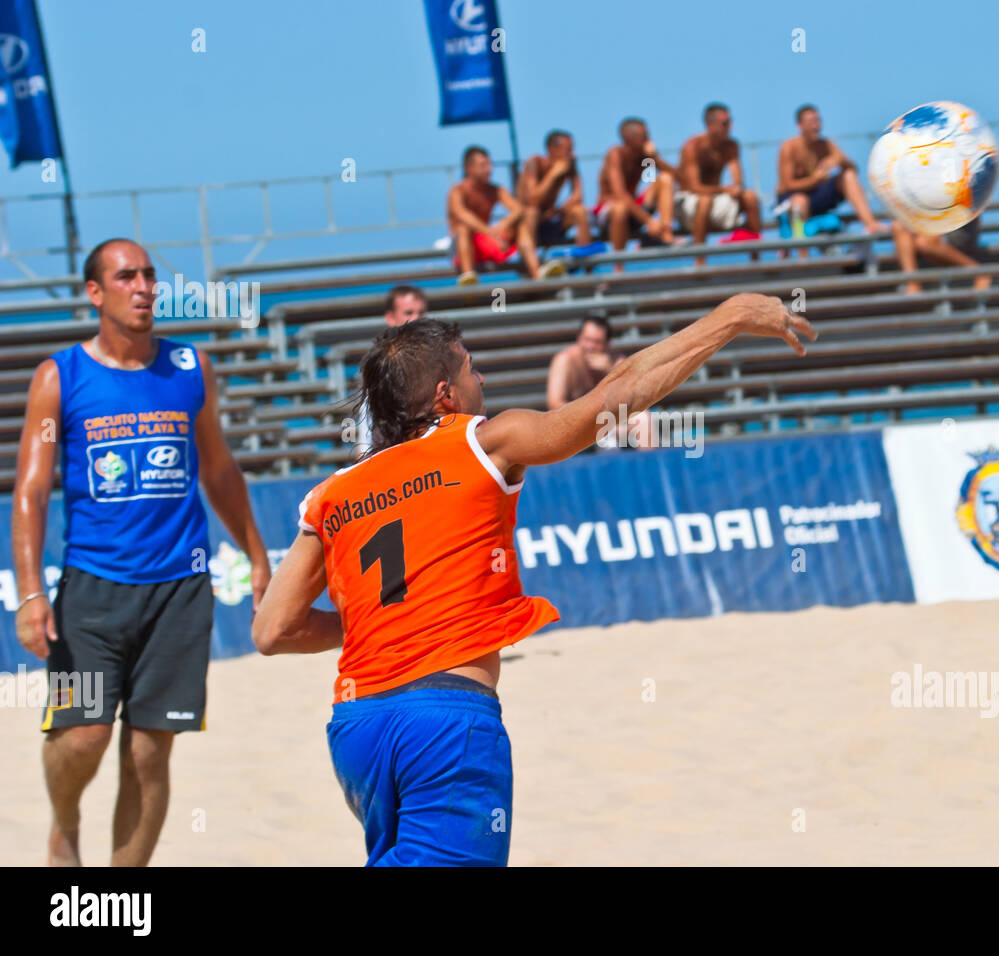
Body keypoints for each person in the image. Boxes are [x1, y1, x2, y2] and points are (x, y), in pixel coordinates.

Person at [251, 293, 815, 866]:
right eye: (470, 366)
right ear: (444, 395)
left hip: (358, 731)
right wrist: (730, 318)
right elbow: (615, 397)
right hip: (444, 720)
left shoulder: (333, 492)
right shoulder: (482, 440)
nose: (482, 376)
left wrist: (384, 619)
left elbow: (273, 630)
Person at [11, 238, 271, 867]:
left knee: (151, 750)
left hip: (179, 590)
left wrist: (258, 556)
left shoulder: (189, 367)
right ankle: (64, 826)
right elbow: (31, 491)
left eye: (150, 276)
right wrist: (29, 592)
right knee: (82, 736)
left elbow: (219, 470)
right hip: (90, 588)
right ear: (96, 292)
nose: (144, 287)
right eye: (127, 276)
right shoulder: (60, 377)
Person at [447, 145, 565, 285]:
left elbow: (518, 209)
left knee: (523, 221)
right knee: (463, 228)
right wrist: (491, 233)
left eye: (490, 164)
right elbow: (462, 215)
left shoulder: (495, 189)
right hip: (463, 248)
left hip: (487, 240)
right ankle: (468, 278)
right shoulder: (457, 191)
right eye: (483, 165)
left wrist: (503, 225)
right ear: (469, 168)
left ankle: (536, 272)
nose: (489, 169)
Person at [777, 105, 888, 249]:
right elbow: (787, 185)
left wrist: (840, 160)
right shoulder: (789, 147)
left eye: (818, 121)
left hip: (817, 198)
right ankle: (802, 255)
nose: (816, 126)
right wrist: (815, 180)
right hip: (794, 199)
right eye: (811, 122)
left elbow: (853, 170)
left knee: (847, 175)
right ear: (800, 126)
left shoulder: (826, 144)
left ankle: (870, 223)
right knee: (800, 201)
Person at [676, 103, 764, 265]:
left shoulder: (731, 146)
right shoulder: (693, 146)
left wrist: (736, 188)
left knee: (750, 196)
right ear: (710, 125)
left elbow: (738, 178)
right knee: (704, 200)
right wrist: (723, 189)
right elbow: (694, 187)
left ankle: (756, 260)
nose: (730, 127)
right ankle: (700, 262)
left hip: (714, 199)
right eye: (725, 123)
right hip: (690, 202)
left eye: (730, 122)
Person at [546, 316, 650, 450]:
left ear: (608, 344)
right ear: (579, 338)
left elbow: (637, 400)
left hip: (609, 425)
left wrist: (611, 371)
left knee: (643, 419)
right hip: (576, 426)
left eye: (597, 342)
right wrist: (589, 419)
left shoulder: (616, 361)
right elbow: (554, 403)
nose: (591, 347)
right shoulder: (566, 361)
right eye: (587, 340)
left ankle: (650, 469)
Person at [354, 286, 430, 456]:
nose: (416, 318)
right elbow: (366, 434)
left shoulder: (443, 359)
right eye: (408, 312)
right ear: (390, 318)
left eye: (421, 312)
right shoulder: (381, 367)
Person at [594, 117, 677, 265]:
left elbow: (675, 178)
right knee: (620, 207)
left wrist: (654, 157)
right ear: (628, 138)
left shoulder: (644, 157)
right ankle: (618, 266)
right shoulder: (615, 154)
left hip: (633, 211)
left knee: (665, 179)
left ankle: (666, 235)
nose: (648, 139)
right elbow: (619, 193)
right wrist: (649, 221)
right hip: (611, 213)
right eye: (644, 136)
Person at [518, 130, 592, 250]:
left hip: (552, 218)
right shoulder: (534, 163)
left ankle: (586, 262)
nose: (572, 154)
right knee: (532, 213)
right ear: (552, 149)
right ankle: (532, 265)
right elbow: (532, 200)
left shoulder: (570, 164)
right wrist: (553, 174)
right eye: (568, 150)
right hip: (530, 223)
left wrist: (557, 211)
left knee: (580, 211)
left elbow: (578, 197)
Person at [892, 215, 990, 294]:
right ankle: (912, 283)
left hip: (957, 226)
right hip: (932, 224)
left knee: (925, 242)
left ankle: (976, 270)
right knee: (899, 225)